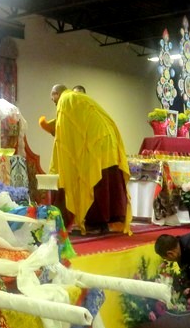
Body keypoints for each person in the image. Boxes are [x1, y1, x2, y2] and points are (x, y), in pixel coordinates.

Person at [48, 84, 131, 234]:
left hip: (97, 142)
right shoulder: (78, 98)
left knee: (92, 180)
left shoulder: (64, 100)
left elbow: (63, 137)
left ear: (57, 93)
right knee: (106, 179)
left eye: (52, 95)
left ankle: (95, 224)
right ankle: (111, 222)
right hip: (108, 140)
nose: (51, 99)